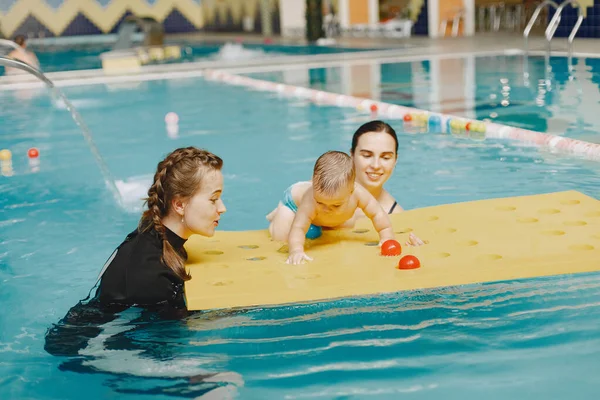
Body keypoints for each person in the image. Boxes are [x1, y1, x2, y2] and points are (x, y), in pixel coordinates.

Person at [269, 150, 396, 265]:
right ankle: (278, 213)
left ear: (351, 190)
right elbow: (299, 228)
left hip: (316, 213)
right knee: (282, 236)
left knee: (348, 223)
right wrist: (296, 251)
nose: (326, 209)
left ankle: (318, 218)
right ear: (313, 186)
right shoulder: (310, 200)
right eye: (320, 202)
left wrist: (386, 237)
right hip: (293, 204)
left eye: (336, 205)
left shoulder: (359, 193)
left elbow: (377, 213)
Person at [350, 120, 425, 246]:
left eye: (385, 158)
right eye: (367, 155)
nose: (376, 165)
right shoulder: (322, 189)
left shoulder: (395, 216)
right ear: (352, 155)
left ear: (395, 160)